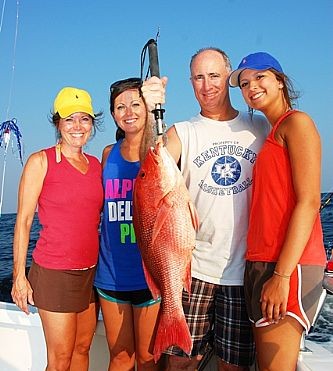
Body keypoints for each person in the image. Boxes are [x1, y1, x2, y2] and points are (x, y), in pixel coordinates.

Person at [141, 48, 271, 371]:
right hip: (192, 270)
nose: (206, 84)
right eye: (198, 77)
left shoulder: (257, 128)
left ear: (228, 78)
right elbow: (149, 167)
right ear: (190, 82)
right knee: (180, 364)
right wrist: (148, 111)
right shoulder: (183, 132)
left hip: (242, 274)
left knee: (233, 367)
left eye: (214, 75)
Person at [229, 52, 327, 370]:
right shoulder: (270, 134)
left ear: (280, 80)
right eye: (244, 83)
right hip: (262, 261)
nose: (251, 86)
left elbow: (310, 201)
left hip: (287, 266)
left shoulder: (297, 123)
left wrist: (281, 276)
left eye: (260, 77)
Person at [11, 86, 104, 371]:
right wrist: (18, 276)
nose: (77, 126)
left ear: (92, 123)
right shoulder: (41, 162)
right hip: (54, 273)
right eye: (69, 119)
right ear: (57, 123)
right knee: (60, 359)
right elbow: (24, 221)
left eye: (84, 119)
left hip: (91, 273)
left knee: (82, 348)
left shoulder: (97, 165)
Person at [93, 77, 161, 370]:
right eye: (120, 106)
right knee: (120, 357)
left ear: (148, 107)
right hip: (110, 275)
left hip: (150, 275)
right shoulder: (108, 154)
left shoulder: (161, 150)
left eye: (136, 103)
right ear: (112, 115)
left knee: (147, 358)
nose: (128, 111)